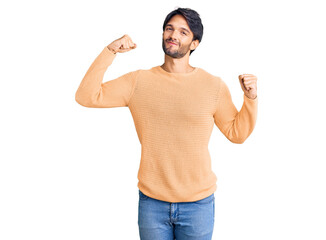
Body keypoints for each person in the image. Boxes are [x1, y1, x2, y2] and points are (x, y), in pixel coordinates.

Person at [75, 7, 258, 240]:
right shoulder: (138, 81)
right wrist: (110, 51)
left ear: (194, 43)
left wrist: (250, 99)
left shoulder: (213, 86)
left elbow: (237, 134)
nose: (173, 35)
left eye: (183, 32)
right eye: (169, 29)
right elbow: (86, 96)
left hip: (198, 205)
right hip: (152, 203)